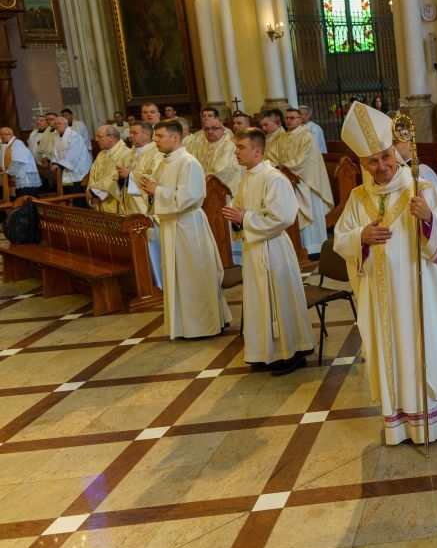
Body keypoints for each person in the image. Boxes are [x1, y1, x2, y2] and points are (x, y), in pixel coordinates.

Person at [333, 101, 437, 444]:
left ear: (394, 150)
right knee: (391, 350)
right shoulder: (358, 198)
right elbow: (341, 239)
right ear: (362, 164)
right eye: (372, 161)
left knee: (426, 345)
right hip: (382, 301)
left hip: (419, 293)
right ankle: (400, 423)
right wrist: (360, 238)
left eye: (385, 156)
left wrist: (429, 221)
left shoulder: (421, 188)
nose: (381, 167)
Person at [223, 128, 313, 376]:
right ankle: (266, 352)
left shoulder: (274, 178)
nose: (235, 151)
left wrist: (245, 218)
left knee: (279, 302)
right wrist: (238, 218)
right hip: (255, 248)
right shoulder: (247, 178)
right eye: (236, 146)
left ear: (257, 151)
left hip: (273, 249)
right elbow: (242, 211)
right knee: (260, 302)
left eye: (241, 147)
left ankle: (292, 353)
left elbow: (283, 217)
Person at [136, 120, 231, 339]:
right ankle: (185, 325)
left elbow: (191, 196)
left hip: (188, 226)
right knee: (178, 276)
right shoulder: (164, 162)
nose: (155, 140)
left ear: (175, 137)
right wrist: (150, 190)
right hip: (171, 225)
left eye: (160, 136)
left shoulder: (188, 163)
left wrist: (157, 190)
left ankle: (204, 325)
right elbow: (159, 191)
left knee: (195, 275)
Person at [281, 107, 335, 256]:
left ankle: (314, 248)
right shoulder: (285, 137)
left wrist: (284, 169)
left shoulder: (307, 136)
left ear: (300, 120)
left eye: (292, 118)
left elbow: (304, 160)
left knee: (309, 214)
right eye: (286, 118)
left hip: (306, 183)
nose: (288, 120)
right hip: (290, 182)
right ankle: (300, 247)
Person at [87, 125, 131, 213]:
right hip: (97, 201)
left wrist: (95, 193)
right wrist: (90, 194)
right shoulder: (101, 154)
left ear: (111, 137)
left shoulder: (126, 154)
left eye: (99, 136)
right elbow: (92, 175)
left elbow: (116, 177)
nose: (96, 139)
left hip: (114, 204)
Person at [49, 116, 91, 191]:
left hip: (77, 171)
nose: (57, 126)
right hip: (64, 170)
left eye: (59, 123)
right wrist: (54, 163)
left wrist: (58, 164)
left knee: (77, 195)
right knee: (69, 194)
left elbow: (72, 155)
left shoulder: (74, 136)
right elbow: (54, 153)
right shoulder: (56, 137)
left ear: (66, 124)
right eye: (55, 124)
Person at [0, 126, 41, 198]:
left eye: (6, 134)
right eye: (1, 134)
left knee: (27, 200)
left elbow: (19, 162)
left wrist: (8, 172)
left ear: (12, 134)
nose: (3, 136)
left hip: (23, 177)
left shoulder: (17, 144)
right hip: (12, 177)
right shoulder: (3, 145)